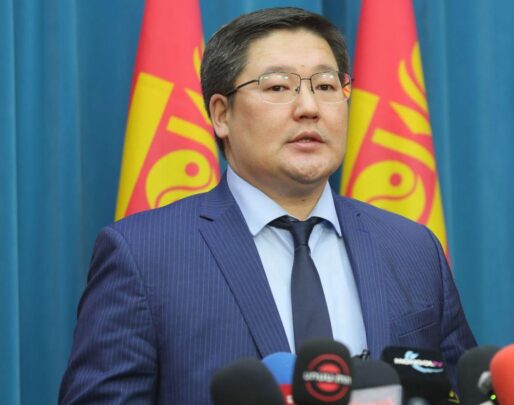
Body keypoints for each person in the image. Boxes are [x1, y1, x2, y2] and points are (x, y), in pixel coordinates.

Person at [60, 7, 475, 404]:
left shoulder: (412, 248)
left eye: (326, 86)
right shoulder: (144, 255)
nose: (309, 108)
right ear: (221, 115)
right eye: (278, 87)